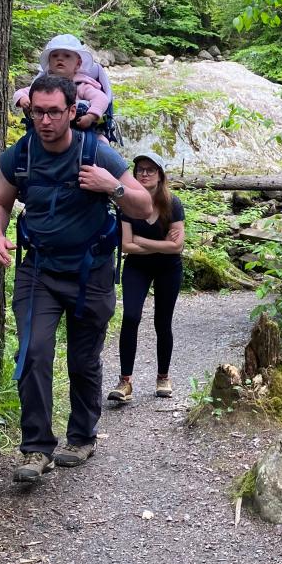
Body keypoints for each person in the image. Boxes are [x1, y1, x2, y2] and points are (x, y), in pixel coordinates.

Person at [0, 75, 150, 482]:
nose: (44, 120)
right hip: (38, 270)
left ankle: (82, 436)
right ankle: (35, 449)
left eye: (53, 112)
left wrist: (111, 186)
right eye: (37, 111)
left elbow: (144, 205)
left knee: (82, 359)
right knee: (34, 352)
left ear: (72, 110)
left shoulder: (96, 152)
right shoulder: (20, 156)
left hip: (90, 273)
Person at [108, 152, 185, 406]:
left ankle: (163, 377)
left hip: (169, 268)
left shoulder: (172, 203)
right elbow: (127, 246)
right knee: (130, 317)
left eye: (151, 170)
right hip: (137, 268)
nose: (144, 174)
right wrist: (161, 244)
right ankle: (125, 381)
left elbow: (177, 247)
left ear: (160, 175)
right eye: (140, 169)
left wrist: (142, 241)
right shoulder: (127, 205)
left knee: (163, 322)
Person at [13, 34, 115, 133]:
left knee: (101, 144)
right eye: (55, 55)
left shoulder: (81, 85)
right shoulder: (44, 85)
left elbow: (101, 98)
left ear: (78, 64)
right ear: (49, 62)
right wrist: (23, 99)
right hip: (46, 131)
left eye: (67, 56)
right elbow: (21, 92)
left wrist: (91, 116)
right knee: (24, 145)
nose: (60, 59)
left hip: (81, 130)